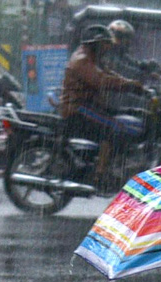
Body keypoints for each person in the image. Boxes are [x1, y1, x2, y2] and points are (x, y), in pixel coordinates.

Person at [59, 25, 146, 187]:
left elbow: (110, 74)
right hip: (78, 108)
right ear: (96, 43)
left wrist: (131, 84)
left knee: (125, 119)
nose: (108, 47)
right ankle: (99, 175)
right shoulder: (82, 60)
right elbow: (102, 80)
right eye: (105, 44)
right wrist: (130, 86)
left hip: (91, 105)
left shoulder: (92, 57)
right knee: (114, 128)